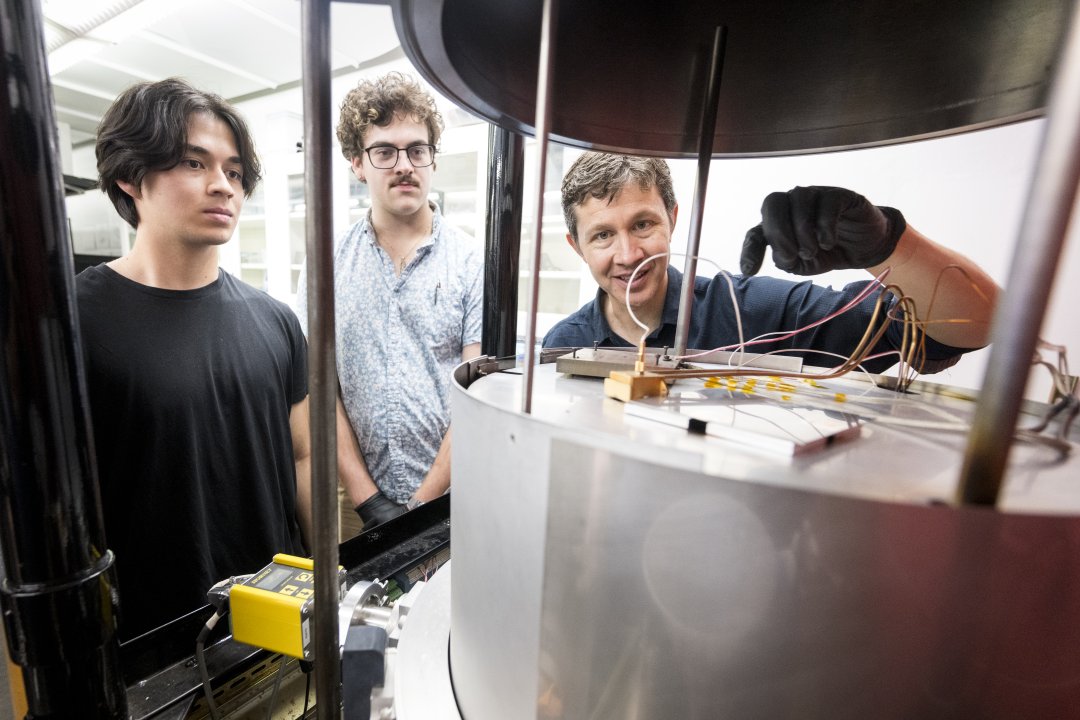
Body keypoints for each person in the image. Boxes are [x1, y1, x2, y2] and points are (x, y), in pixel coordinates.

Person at [78, 78, 311, 639]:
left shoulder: (275, 319)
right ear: (130, 177)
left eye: (234, 172)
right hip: (153, 643)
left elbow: (302, 457)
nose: (222, 186)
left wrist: (325, 568)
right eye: (192, 162)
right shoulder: (72, 323)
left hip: (275, 619)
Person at [543, 152, 999, 372]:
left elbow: (975, 325)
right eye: (603, 235)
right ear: (576, 246)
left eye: (643, 225)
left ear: (673, 219)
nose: (628, 255)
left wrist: (888, 248)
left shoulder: (758, 313)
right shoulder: (562, 345)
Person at [296, 72, 483, 538]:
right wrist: (369, 499)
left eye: (417, 149)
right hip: (349, 496)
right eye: (384, 152)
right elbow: (319, 387)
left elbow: (477, 390)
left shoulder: (472, 260)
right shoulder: (326, 262)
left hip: (453, 492)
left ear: (432, 159)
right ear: (357, 163)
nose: (405, 165)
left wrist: (423, 501)